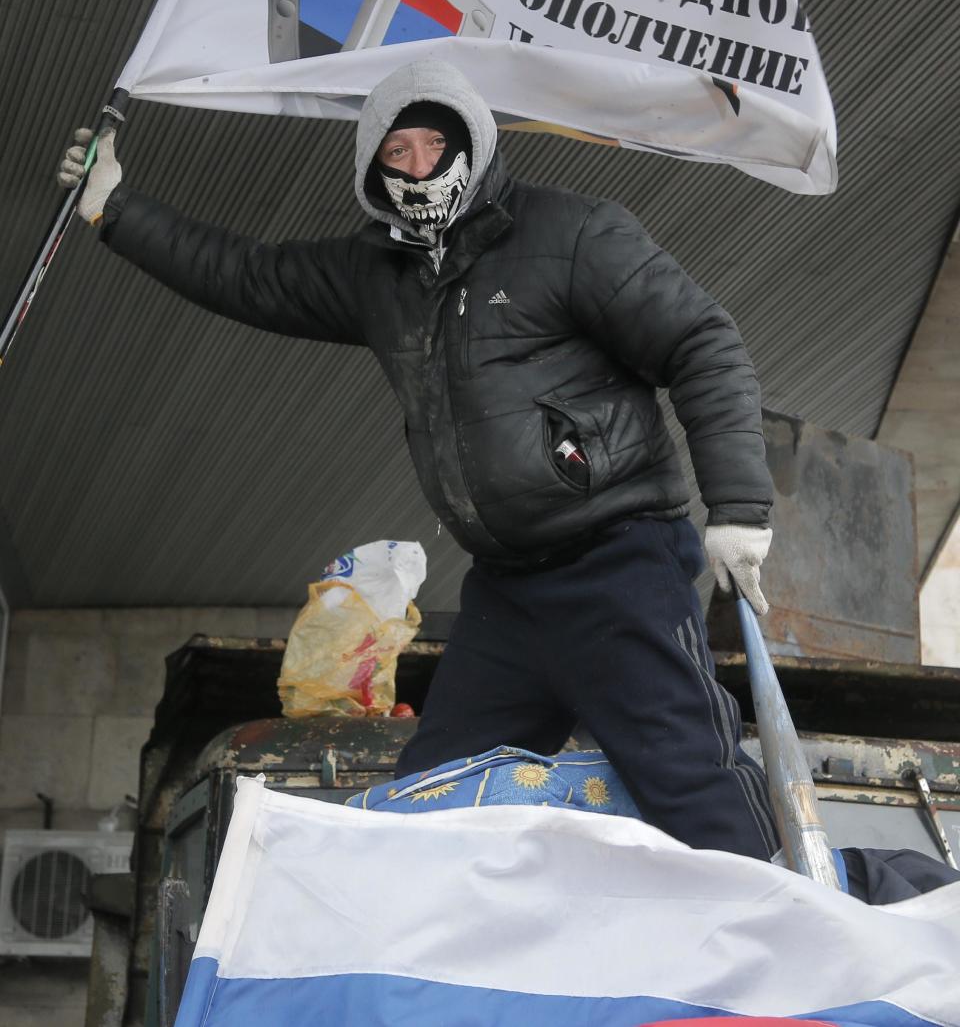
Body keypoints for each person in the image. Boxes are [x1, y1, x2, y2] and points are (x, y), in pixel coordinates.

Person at [58, 59, 778, 860]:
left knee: (691, 787)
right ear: (375, 168)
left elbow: (702, 341)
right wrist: (113, 209)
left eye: (436, 144)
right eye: (397, 153)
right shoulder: (379, 276)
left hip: (618, 567)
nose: (419, 166)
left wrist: (739, 507)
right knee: (434, 805)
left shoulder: (573, 234)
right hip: (507, 594)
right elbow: (250, 277)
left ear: (472, 141)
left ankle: (796, 959)